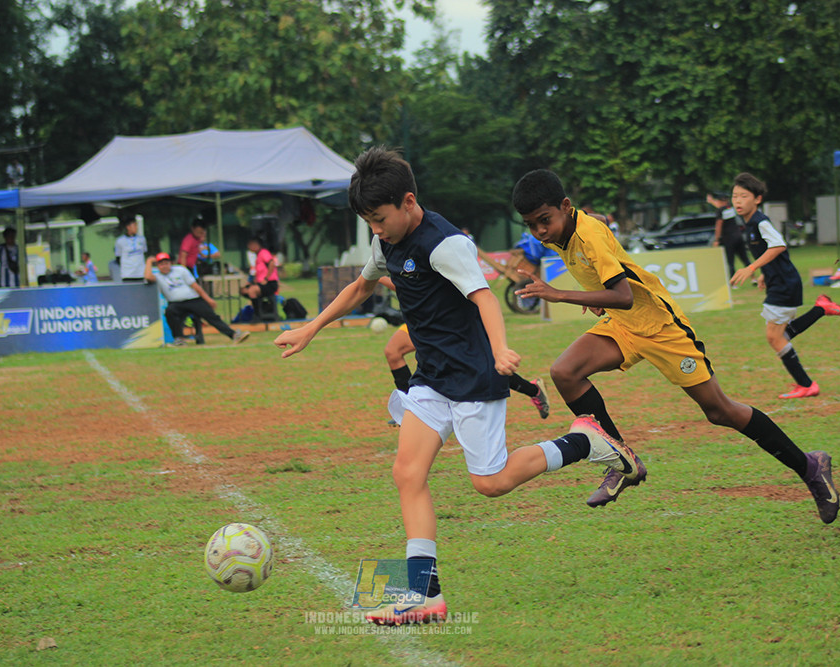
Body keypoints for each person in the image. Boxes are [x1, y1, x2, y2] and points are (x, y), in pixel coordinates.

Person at [274, 147, 645, 625]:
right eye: (369, 221)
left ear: (409, 201)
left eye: (381, 218)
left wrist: (500, 351)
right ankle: (425, 597)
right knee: (407, 474)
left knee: (489, 483)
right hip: (431, 379)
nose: (377, 230)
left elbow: (485, 299)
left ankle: (584, 441)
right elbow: (361, 288)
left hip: (472, 378)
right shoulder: (384, 242)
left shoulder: (446, 244)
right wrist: (311, 327)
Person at [511, 168, 840, 527]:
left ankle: (810, 466)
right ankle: (623, 461)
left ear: (565, 206)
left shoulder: (585, 234)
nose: (540, 231)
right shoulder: (570, 226)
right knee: (565, 372)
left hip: (660, 326)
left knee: (720, 411)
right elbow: (601, 221)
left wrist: (560, 294)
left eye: (544, 220)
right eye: (532, 225)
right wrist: (594, 288)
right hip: (623, 326)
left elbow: (621, 294)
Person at [728, 172, 840, 399]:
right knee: (779, 334)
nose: (737, 201)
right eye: (735, 196)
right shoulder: (750, 224)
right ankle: (822, 308)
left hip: (784, 284)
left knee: (775, 337)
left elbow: (778, 246)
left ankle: (806, 385)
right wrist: (765, 273)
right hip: (781, 281)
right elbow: (771, 250)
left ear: (757, 199)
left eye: (743, 196)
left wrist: (751, 268)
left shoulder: (760, 222)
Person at [377, 276, 550, 421]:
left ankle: (533, 389)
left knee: (480, 367)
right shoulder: (393, 249)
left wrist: (378, 277)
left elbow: (418, 288)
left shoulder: (434, 245)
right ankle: (411, 410)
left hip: (449, 317)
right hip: (423, 319)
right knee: (393, 352)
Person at [145, 253, 250, 346]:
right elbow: (147, 277)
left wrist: (208, 299)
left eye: (166, 263)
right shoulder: (157, 276)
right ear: (158, 266)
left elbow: (195, 286)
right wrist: (149, 262)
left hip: (193, 299)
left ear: (170, 263)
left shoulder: (180, 270)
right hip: (175, 303)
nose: (164, 266)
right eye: (161, 264)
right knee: (170, 312)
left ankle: (234, 334)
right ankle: (179, 339)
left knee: (211, 316)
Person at [706, 191, 751, 277]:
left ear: (720, 201)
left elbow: (718, 226)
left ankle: (733, 281)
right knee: (745, 259)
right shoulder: (731, 208)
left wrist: (717, 239)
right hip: (739, 236)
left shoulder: (721, 211)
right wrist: (711, 201)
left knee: (730, 261)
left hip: (728, 239)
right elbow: (721, 208)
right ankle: (753, 278)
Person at [114, 216, 147, 282]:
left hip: (140, 273)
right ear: (128, 227)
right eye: (134, 225)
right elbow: (118, 257)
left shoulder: (142, 239)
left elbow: (144, 252)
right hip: (128, 274)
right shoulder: (120, 241)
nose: (136, 228)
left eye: (136, 225)